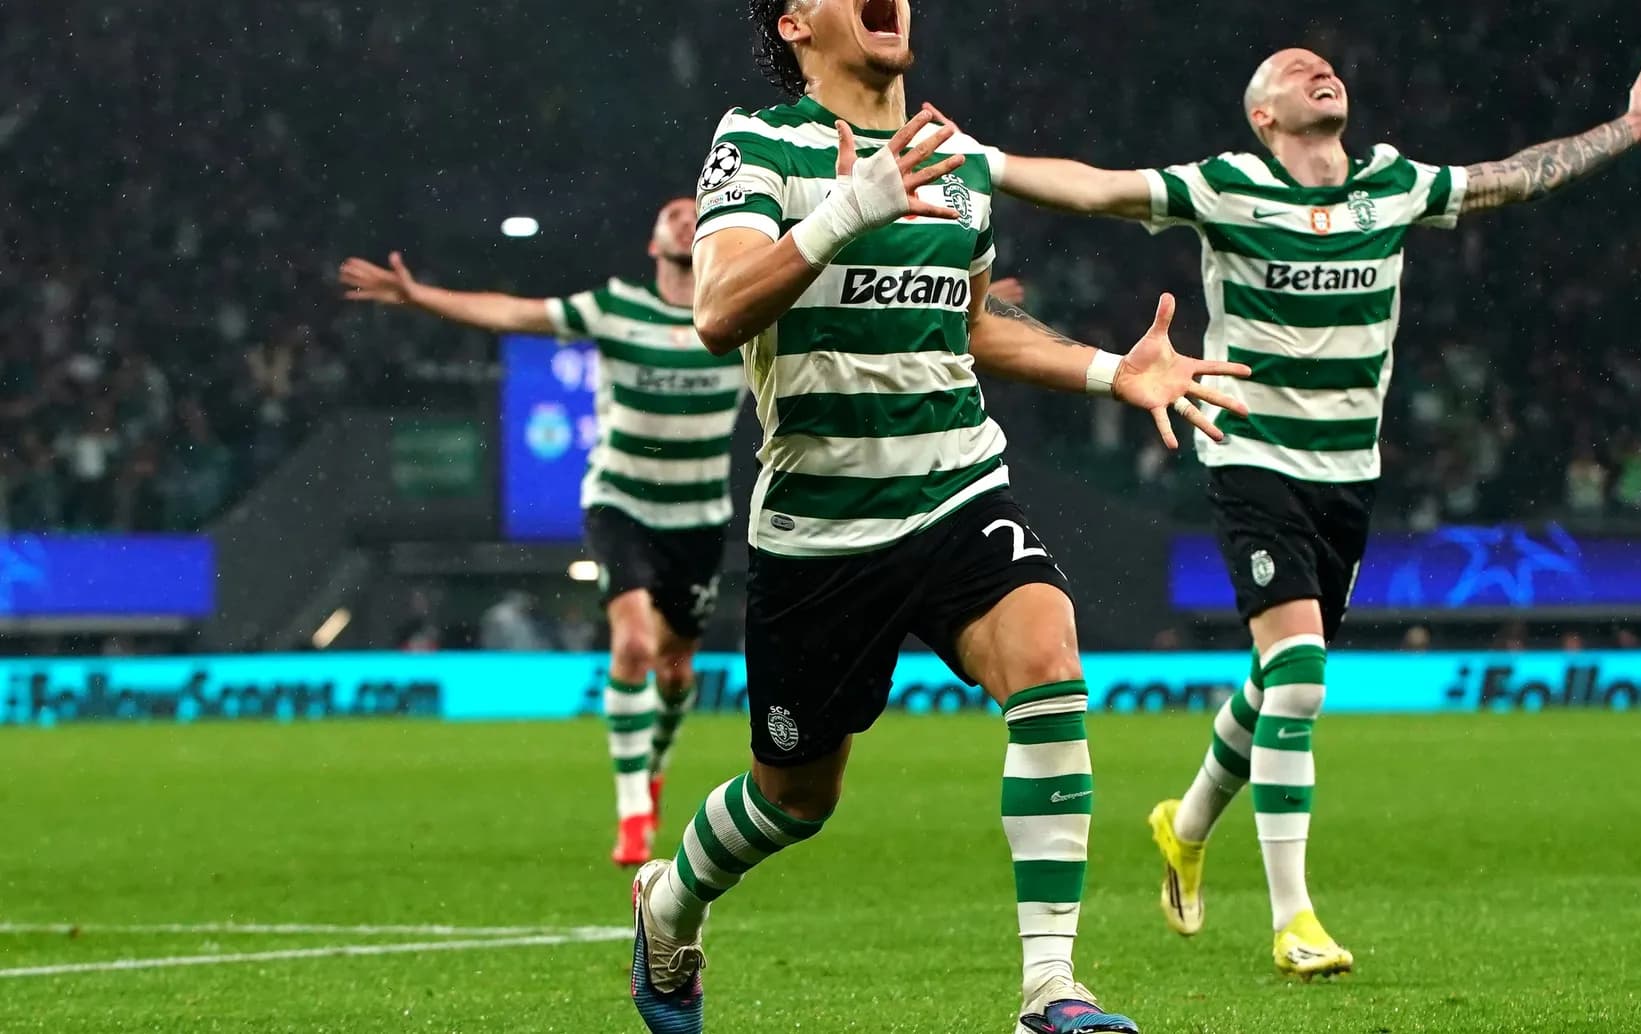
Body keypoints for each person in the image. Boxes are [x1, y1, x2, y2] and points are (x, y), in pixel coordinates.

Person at [977, 48, 1641, 979]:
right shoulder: (1229, 186)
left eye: (1324, 65)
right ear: (1263, 118)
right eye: (1293, 70)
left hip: (1346, 473)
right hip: (1251, 457)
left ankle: (1186, 821)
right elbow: (1096, 189)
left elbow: (1516, 178)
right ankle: (1295, 918)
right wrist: (986, 162)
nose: (1317, 70)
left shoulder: (1394, 183)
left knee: (1278, 677)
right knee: (1302, 676)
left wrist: (1627, 130)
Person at [623, 2, 1249, 1031]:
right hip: (819, 525)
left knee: (1047, 652)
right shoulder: (757, 142)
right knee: (793, 797)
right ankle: (668, 900)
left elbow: (967, 325)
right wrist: (842, 211)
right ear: (793, 23)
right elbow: (717, 309)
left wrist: (1106, 368)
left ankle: (1051, 990)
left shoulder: (952, 162)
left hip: (954, 482)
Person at [339, 199, 736, 867]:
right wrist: (419, 298)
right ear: (651, 241)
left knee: (675, 669)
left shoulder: (734, 319)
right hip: (622, 502)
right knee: (634, 645)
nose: (684, 215)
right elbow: (513, 313)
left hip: (698, 518)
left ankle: (655, 764)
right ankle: (633, 807)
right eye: (671, 211)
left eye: (696, 210)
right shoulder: (614, 308)